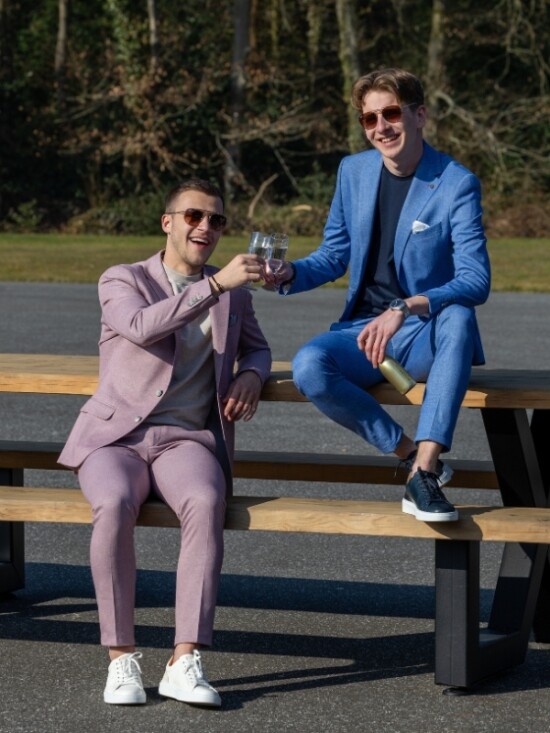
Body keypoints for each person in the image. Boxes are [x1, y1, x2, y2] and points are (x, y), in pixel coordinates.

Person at [58, 178, 271, 708]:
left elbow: (258, 349)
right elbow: (139, 326)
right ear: (168, 222)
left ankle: (184, 658)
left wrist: (252, 375)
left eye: (216, 220)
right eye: (194, 216)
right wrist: (215, 286)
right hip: (115, 438)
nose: (205, 227)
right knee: (113, 504)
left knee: (205, 500)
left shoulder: (234, 295)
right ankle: (120, 657)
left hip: (186, 440)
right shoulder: (122, 278)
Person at [264, 67, 490, 523]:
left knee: (460, 316)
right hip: (362, 333)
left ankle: (426, 471)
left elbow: (475, 279)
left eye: (391, 114)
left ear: (420, 115)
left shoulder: (456, 183)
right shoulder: (353, 171)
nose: (381, 127)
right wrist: (291, 272)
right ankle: (410, 457)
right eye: (370, 119)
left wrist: (405, 306)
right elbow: (334, 255)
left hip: (422, 332)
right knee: (309, 365)